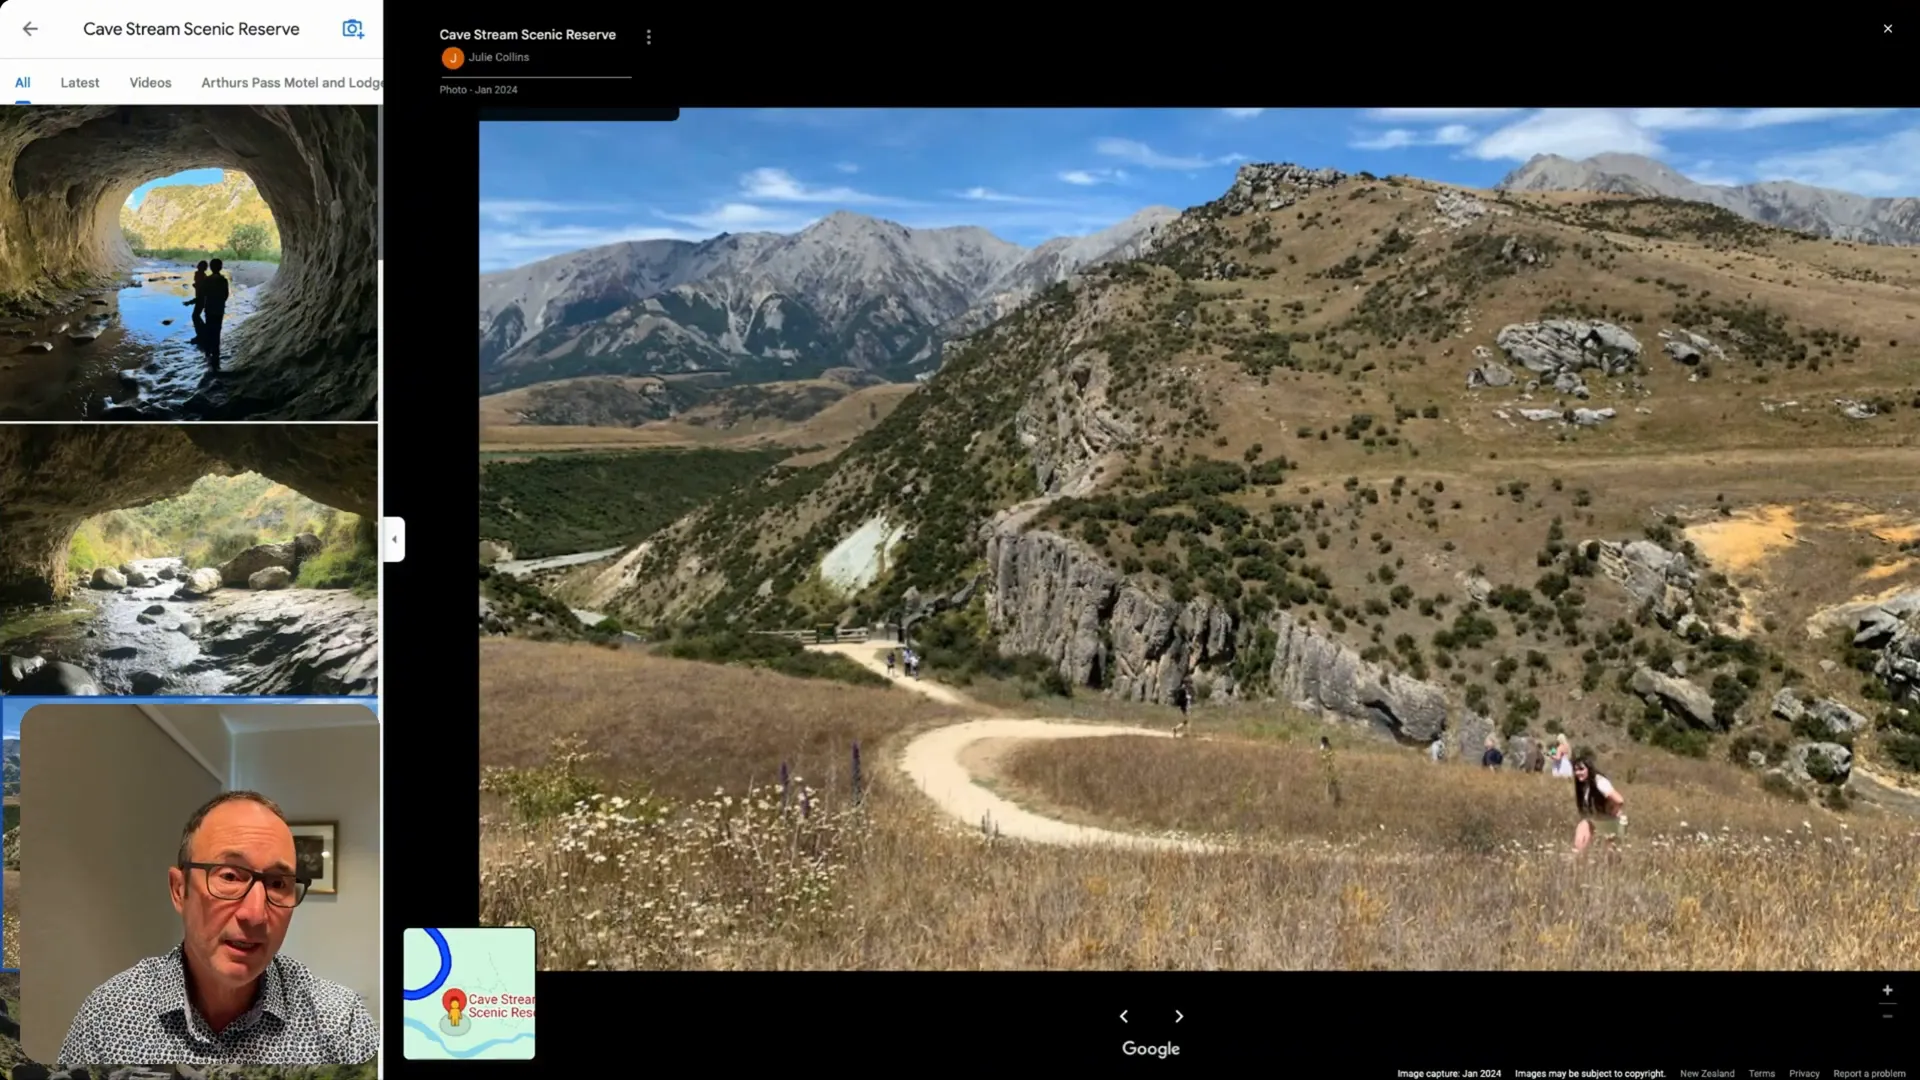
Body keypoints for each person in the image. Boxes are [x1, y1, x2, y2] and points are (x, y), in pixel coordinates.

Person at [56, 790, 378, 1065]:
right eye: (229, 876)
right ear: (179, 890)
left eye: (278, 883)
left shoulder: (340, 1023)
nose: (255, 914)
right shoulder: (107, 1018)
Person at [1571, 757, 1626, 855]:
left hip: (1611, 822)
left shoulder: (1599, 782)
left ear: (1589, 769)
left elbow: (1619, 800)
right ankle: (1578, 863)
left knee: (1610, 856)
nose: (1578, 773)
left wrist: (1613, 811)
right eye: (1576, 770)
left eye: (1581, 769)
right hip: (1596, 819)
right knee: (1579, 841)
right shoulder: (1584, 784)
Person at [200, 258, 231, 365]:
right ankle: (216, 354)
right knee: (217, 331)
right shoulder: (223, 280)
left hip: (209, 308)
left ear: (210, 268)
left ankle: (208, 353)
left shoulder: (207, 280)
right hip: (219, 309)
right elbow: (226, 295)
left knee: (209, 329)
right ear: (221, 267)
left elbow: (203, 293)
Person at [182, 260, 210, 338]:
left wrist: (189, 302)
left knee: (195, 316)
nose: (194, 277)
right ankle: (204, 332)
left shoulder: (201, 280)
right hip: (204, 300)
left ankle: (201, 335)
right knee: (196, 316)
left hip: (202, 300)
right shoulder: (203, 278)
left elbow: (200, 297)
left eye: (196, 276)